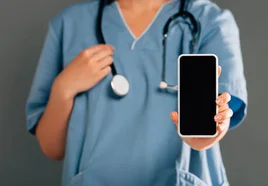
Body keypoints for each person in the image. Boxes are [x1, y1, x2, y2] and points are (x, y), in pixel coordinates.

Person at [24, 0, 247, 185]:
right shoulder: (70, 23)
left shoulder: (210, 20)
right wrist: (64, 88)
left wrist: (206, 134)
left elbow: (217, 116)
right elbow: (52, 148)